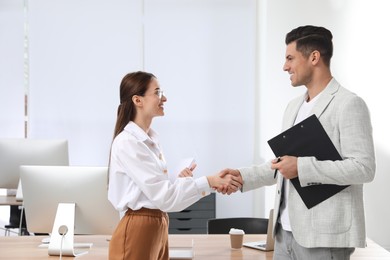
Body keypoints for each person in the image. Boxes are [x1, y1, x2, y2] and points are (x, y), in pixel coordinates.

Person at [218, 25, 376, 260]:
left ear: (314, 57)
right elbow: (285, 165)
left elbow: (363, 168)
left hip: (324, 239)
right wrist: (243, 177)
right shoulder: (293, 107)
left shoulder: (349, 104)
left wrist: (301, 167)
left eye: (290, 58)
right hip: (284, 236)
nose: (285, 66)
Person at [107, 71, 242, 260]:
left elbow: (157, 193)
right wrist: (210, 181)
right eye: (158, 92)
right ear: (138, 100)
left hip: (157, 224)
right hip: (140, 226)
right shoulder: (128, 142)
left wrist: (178, 182)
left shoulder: (150, 140)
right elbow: (165, 197)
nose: (165, 98)